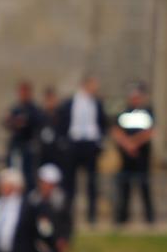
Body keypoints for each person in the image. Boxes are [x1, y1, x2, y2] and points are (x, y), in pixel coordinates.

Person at [58, 74, 107, 225]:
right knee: (70, 183)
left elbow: (102, 123)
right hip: (74, 143)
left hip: (90, 144)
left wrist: (99, 142)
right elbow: (63, 121)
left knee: (92, 182)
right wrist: (64, 142)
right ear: (85, 85)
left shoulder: (97, 104)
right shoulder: (71, 102)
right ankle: (68, 214)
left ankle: (92, 216)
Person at [27, 164, 73, 252]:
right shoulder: (32, 199)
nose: (45, 186)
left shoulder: (61, 201)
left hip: (50, 250)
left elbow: (67, 223)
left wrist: (64, 239)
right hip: (34, 247)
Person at [112, 81, 155, 226]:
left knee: (144, 187)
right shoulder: (124, 113)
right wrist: (127, 145)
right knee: (125, 188)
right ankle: (123, 217)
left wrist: (134, 143)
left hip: (142, 157)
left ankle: (149, 218)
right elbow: (116, 131)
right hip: (127, 158)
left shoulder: (147, 112)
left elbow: (150, 132)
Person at [2, 81, 41, 189]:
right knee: (12, 174)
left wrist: (20, 123)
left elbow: (32, 123)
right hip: (16, 147)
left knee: (27, 176)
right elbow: (7, 122)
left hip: (28, 148)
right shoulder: (16, 108)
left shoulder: (34, 110)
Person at [35, 87, 68, 182]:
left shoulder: (62, 116)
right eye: (48, 100)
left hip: (58, 153)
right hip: (44, 153)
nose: (50, 102)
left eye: (52, 99)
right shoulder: (40, 116)